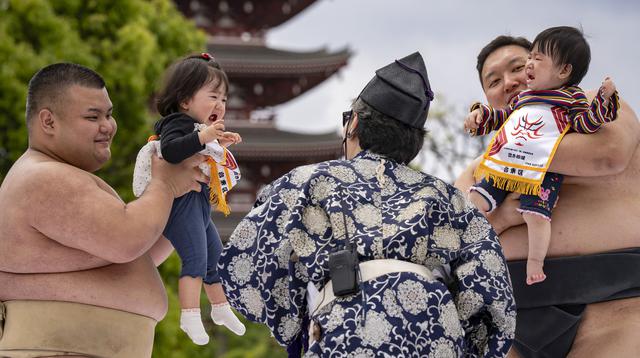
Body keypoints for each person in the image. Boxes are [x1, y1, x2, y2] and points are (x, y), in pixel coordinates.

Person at [218, 52, 516, 357]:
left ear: (354, 123)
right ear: (413, 143)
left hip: (344, 331)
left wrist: (297, 321)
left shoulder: (306, 182)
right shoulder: (448, 199)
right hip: (436, 333)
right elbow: (491, 287)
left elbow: (245, 268)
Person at [0, 63, 206, 357]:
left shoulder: (55, 176)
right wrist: (164, 186)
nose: (108, 126)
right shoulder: (42, 178)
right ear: (48, 121)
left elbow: (140, 254)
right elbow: (127, 240)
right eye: (92, 116)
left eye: (108, 114)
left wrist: (187, 193)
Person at [455, 35, 640, 357]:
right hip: (508, 324)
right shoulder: (477, 169)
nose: (509, 82)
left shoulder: (596, 106)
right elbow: (451, 241)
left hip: (613, 303)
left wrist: (506, 154)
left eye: (517, 67)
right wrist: (503, 216)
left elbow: (609, 155)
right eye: (494, 81)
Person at [463, 26, 619, 285]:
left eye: (523, 64)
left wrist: (603, 101)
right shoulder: (521, 100)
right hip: (503, 167)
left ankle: (535, 262)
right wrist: (479, 116)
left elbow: (588, 126)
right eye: (494, 81)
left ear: (563, 70)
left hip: (541, 175)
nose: (516, 77)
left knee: (535, 215)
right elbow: (500, 117)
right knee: (475, 197)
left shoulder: (574, 97)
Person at [132, 53, 245, 345]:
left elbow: (200, 153)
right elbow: (171, 151)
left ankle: (220, 308)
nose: (220, 105)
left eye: (224, 99)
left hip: (197, 204)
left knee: (215, 259)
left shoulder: (196, 129)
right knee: (195, 257)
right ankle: (190, 315)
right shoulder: (176, 123)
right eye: (213, 96)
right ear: (185, 101)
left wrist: (218, 142)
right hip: (179, 204)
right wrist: (204, 137)